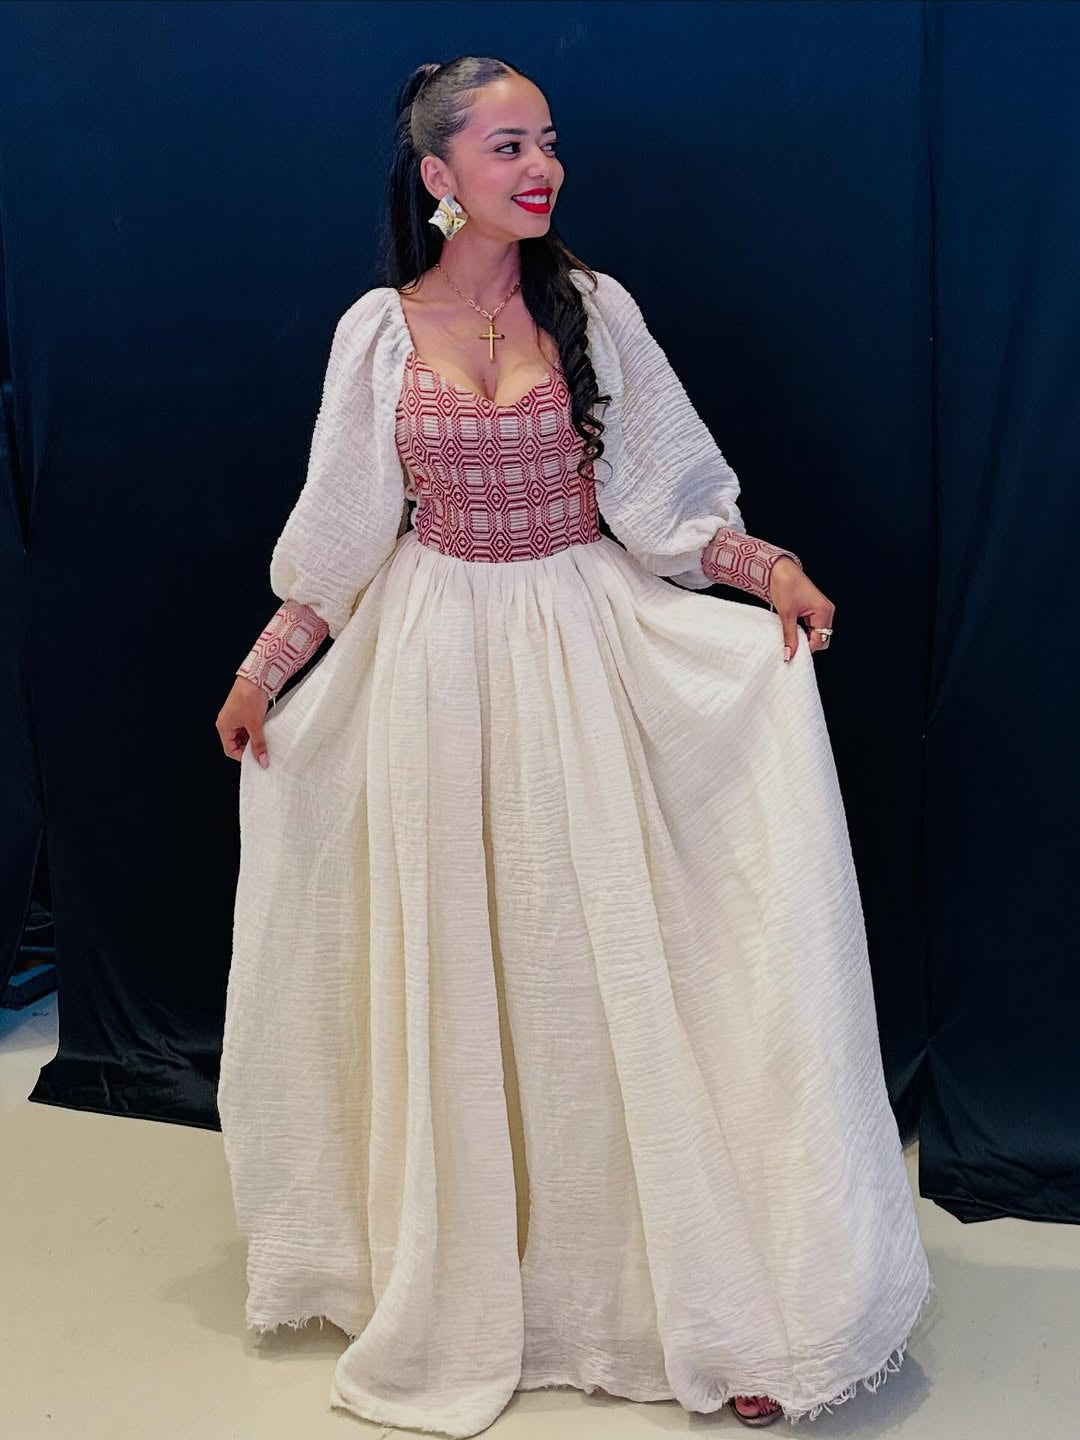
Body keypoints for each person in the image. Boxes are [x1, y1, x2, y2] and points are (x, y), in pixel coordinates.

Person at [215, 54, 933, 1439]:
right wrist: (265, 667)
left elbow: (665, 498)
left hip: (584, 649)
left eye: (547, 142)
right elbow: (347, 532)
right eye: (504, 147)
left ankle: (683, 1301)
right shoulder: (376, 333)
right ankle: (484, 1284)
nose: (539, 168)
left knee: (609, 961)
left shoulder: (595, 309)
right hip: (432, 667)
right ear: (438, 178)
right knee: (465, 962)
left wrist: (764, 567)